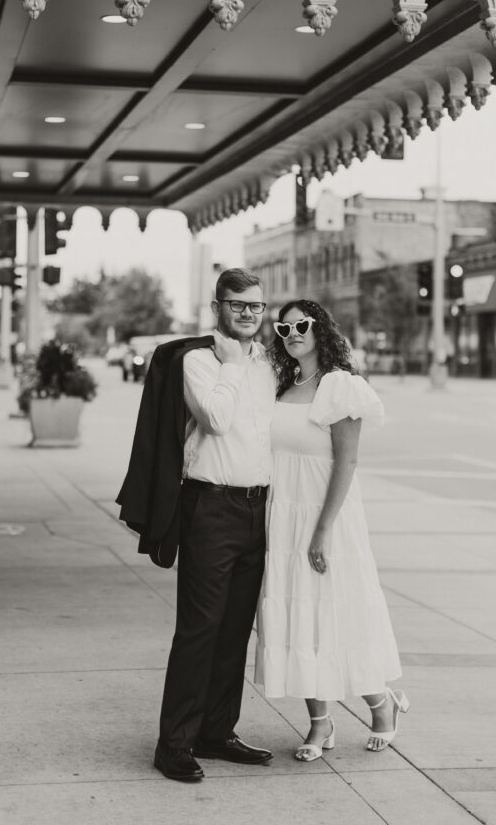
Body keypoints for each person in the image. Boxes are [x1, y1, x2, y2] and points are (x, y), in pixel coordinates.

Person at [255, 298, 407, 761]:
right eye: (283, 330)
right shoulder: (284, 384)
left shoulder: (339, 385)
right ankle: (320, 724)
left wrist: (322, 530)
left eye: (301, 325)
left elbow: (348, 461)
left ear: (320, 328)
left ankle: (383, 706)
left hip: (327, 519)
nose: (293, 333)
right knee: (298, 622)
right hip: (282, 518)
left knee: (336, 618)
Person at [151, 268, 276, 783]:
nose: (247, 314)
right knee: (199, 629)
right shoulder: (198, 362)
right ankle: (174, 743)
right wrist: (230, 367)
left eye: (255, 306)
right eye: (237, 305)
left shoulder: (269, 364)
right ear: (217, 306)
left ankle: (217, 732)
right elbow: (217, 419)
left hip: (257, 509)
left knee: (233, 633)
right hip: (210, 508)